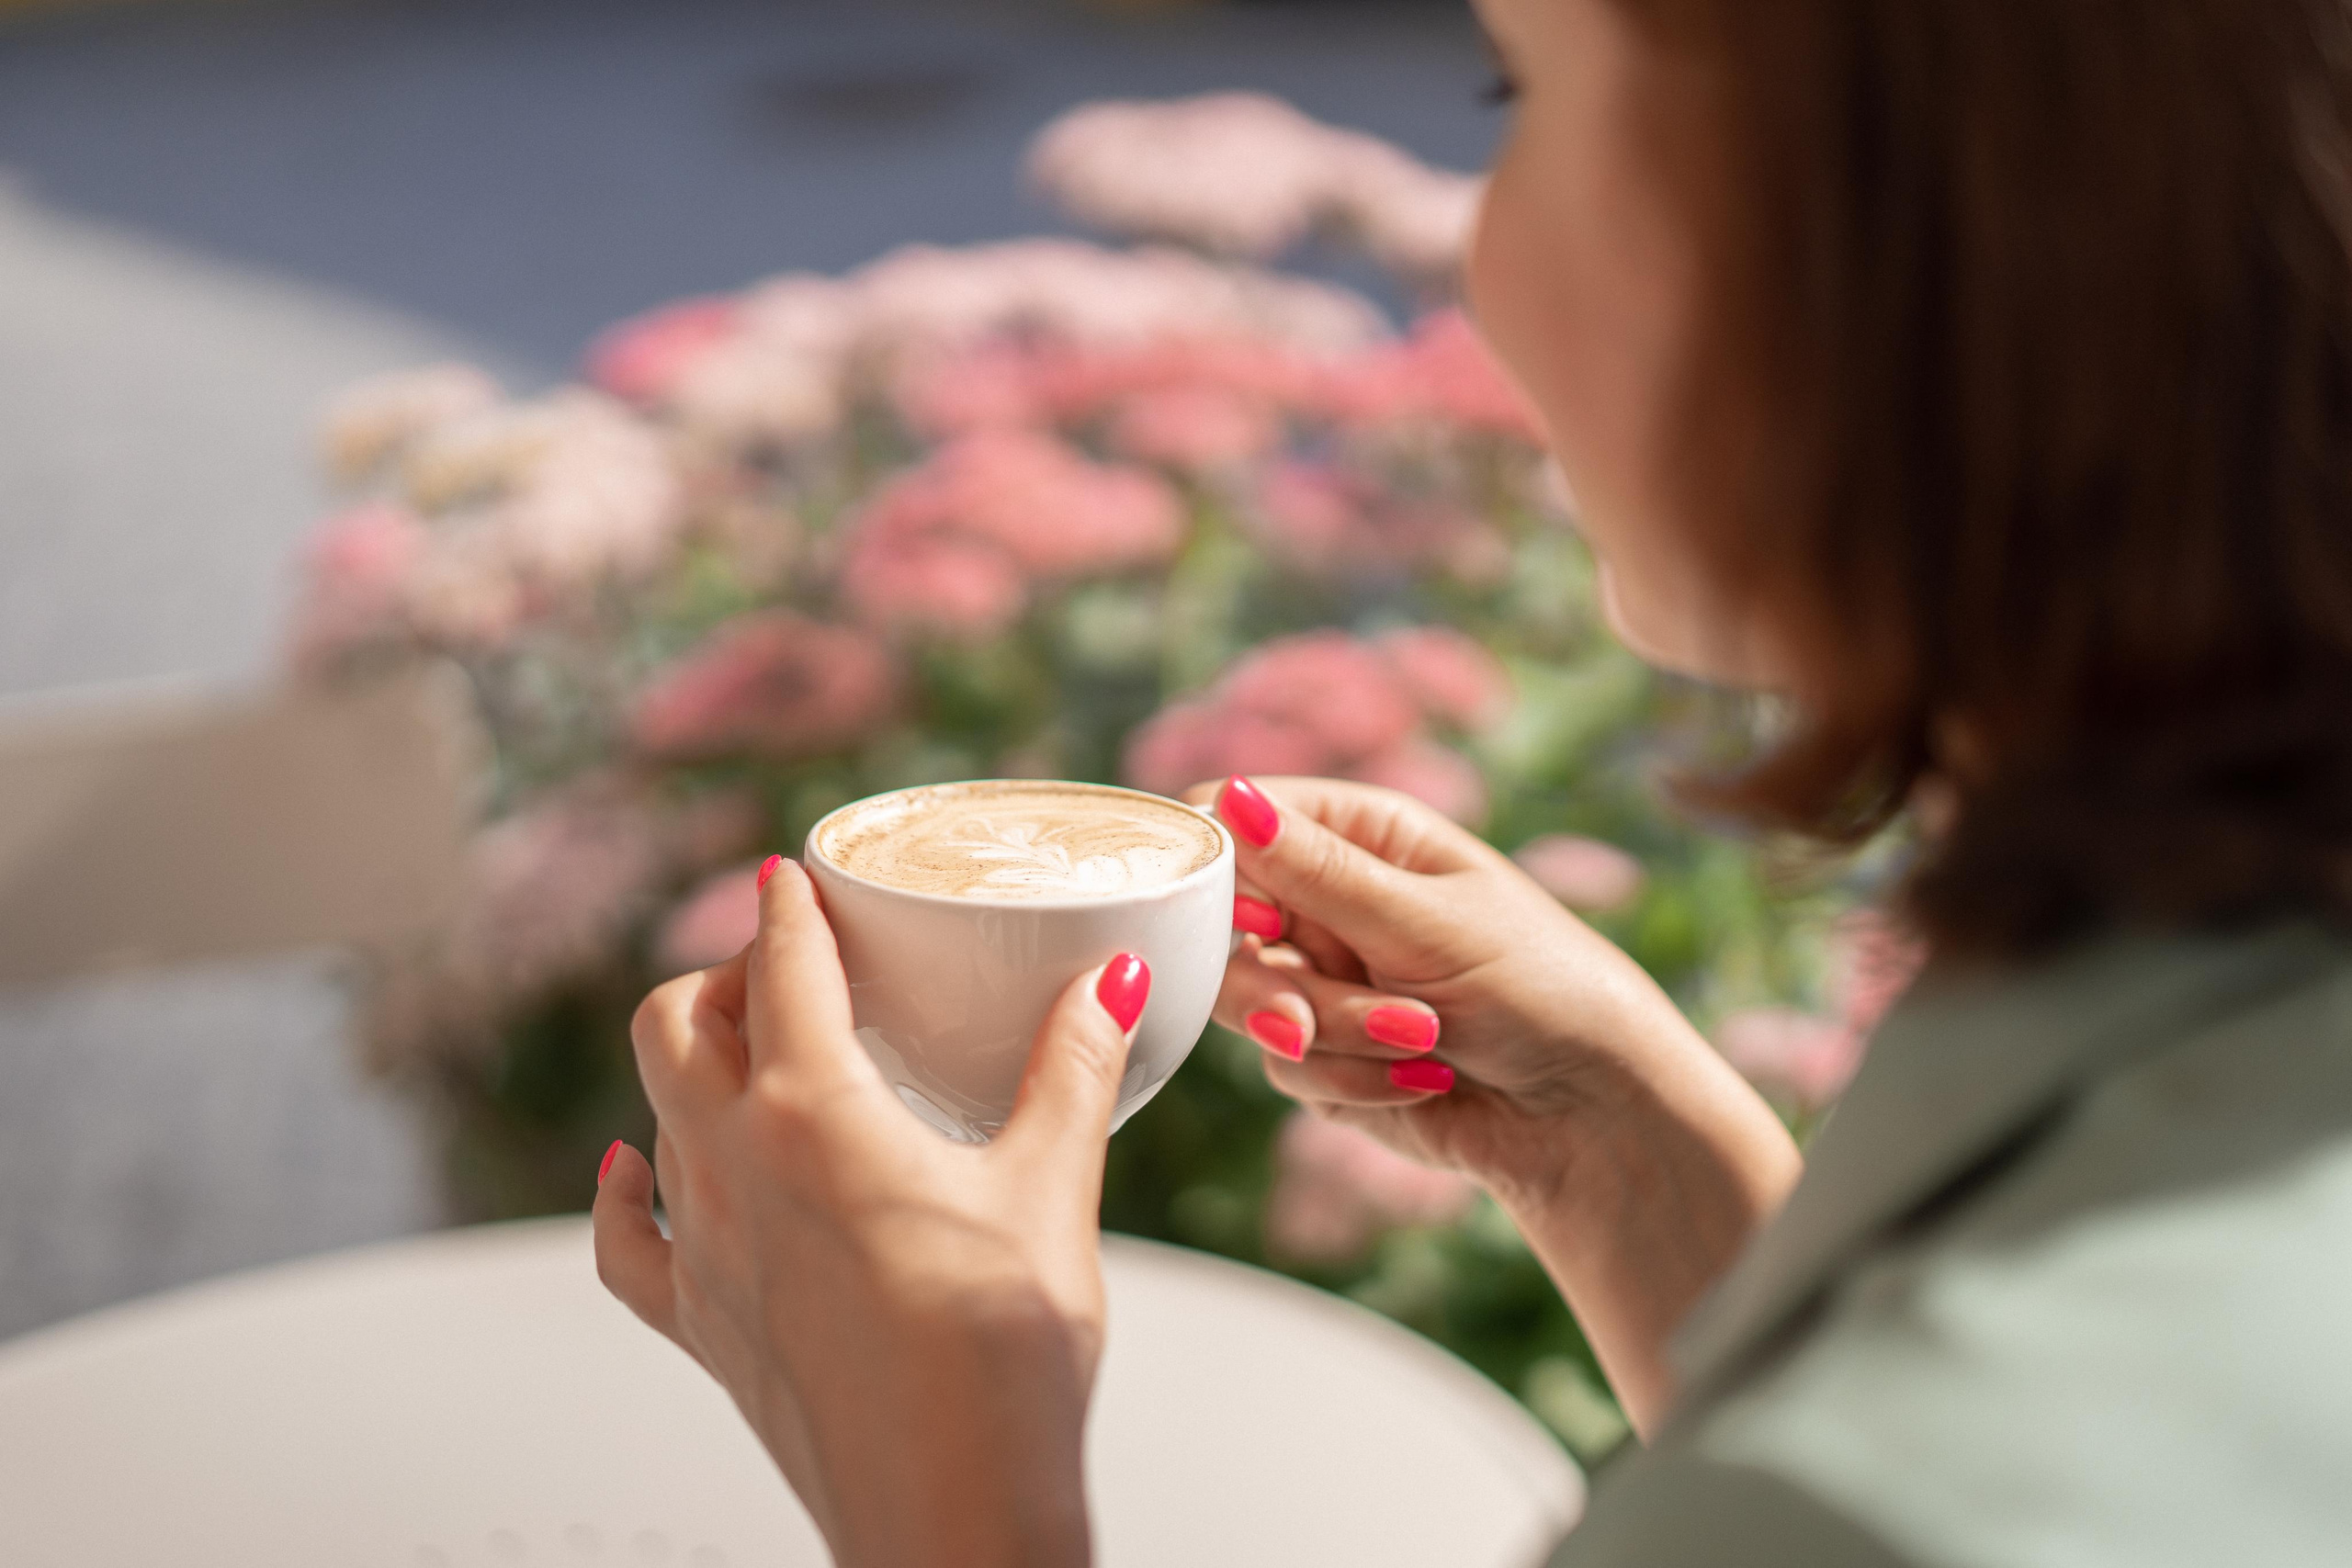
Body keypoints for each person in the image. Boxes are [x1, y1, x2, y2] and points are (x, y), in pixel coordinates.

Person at [591, 0, 2352, 1562]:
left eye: (1519, 88)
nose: (1476, 268)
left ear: (1880, 219)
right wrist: (1641, 1171)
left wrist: (942, 1495)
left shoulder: (1902, 1492)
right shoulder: (2225, 1003)